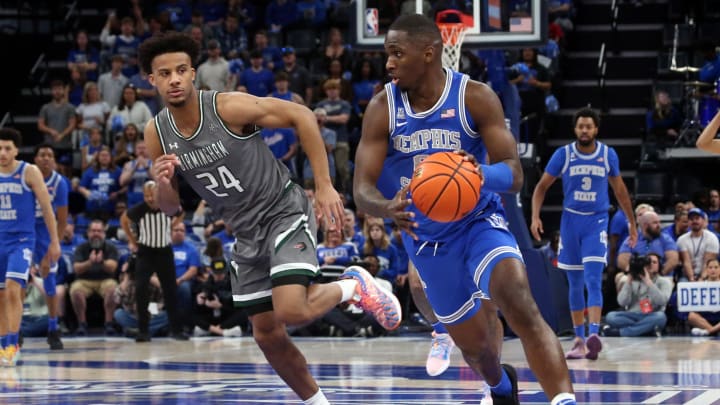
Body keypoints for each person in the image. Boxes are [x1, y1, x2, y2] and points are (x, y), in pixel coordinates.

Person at [138, 32, 401, 404]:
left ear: (194, 73)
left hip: (282, 209)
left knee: (291, 309)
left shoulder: (227, 107)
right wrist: (162, 182)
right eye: (165, 74)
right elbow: (169, 208)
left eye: (181, 70)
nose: (175, 79)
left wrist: (324, 185)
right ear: (152, 80)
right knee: (266, 334)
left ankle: (354, 287)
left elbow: (301, 115)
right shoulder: (156, 132)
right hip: (244, 232)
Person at [353, 14, 575, 405]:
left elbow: (514, 173)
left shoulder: (475, 97)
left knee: (520, 303)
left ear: (429, 53)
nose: (387, 63)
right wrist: (386, 207)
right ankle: (501, 388)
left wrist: (474, 172)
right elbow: (361, 188)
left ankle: (565, 400)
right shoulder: (381, 108)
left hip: (478, 222)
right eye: (387, 54)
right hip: (425, 240)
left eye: (396, 54)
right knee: (478, 353)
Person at [530, 107, 638, 361]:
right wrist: (535, 216)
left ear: (596, 129)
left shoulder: (607, 155)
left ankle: (594, 334)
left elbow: (620, 191)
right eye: (581, 126)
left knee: (592, 278)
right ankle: (579, 339)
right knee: (575, 283)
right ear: (575, 129)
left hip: (597, 222)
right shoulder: (563, 154)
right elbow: (541, 187)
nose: (585, 130)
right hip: (570, 223)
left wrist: (632, 223)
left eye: (589, 126)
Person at [0, 128, 61, 366]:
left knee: (15, 288)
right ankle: (4, 343)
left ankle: (13, 344)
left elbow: (47, 208)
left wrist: (54, 241)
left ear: (16, 150)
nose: (2, 152)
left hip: (22, 241)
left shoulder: (29, 171)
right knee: (2, 294)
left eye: (7, 148)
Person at [120, 180, 186, 342]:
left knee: (170, 290)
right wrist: (132, 239)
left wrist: (172, 225)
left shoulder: (167, 207)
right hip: (145, 252)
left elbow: (181, 211)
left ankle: (176, 330)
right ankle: (143, 331)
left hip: (164, 252)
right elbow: (124, 220)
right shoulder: (140, 210)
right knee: (141, 288)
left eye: (152, 195)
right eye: (146, 195)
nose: (150, 198)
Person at [32, 144, 70, 350]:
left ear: (54, 160)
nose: (46, 158)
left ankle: (53, 329)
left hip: (47, 231)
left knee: (50, 281)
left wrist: (56, 242)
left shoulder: (59, 183)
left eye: (50, 155)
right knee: (17, 281)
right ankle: (15, 329)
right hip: (25, 229)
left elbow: (62, 219)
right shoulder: (27, 177)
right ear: (36, 159)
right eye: (42, 154)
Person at [602, 253, 672, 337]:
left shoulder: (664, 282)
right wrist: (629, 280)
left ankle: (621, 333)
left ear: (659, 265)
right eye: (648, 262)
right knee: (611, 316)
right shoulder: (633, 280)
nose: (650, 264)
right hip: (632, 315)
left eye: (654, 262)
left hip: (652, 315)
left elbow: (662, 301)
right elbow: (622, 302)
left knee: (661, 317)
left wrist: (648, 282)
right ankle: (647, 329)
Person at [71, 219, 119, 336]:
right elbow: (76, 268)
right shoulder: (81, 247)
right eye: (93, 231)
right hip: (84, 280)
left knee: (113, 289)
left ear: (104, 233)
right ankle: (82, 324)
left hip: (106, 280)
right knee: (76, 291)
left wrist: (102, 262)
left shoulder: (111, 247)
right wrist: (89, 262)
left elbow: (113, 267)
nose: (96, 233)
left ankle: (109, 324)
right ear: (88, 233)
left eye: (99, 231)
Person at [677, 208, 719, 282]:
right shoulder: (682, 239)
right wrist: (692, 278)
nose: (694, 221)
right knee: (682, 282)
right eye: (691, 219)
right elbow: (686, 261)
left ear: (703, 221)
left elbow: (708, 262)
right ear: (688, 222)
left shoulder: (712, 238)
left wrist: (702, 279)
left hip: (707, 274)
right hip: (687, 275)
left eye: (697, 218)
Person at [688, 258, 720, 336]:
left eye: (716, 267)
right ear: (706, 270)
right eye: (710, 267)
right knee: (691, 316)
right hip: (705, 315)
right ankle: (714, 330)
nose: (713, 270)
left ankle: (709, 331)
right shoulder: (700, 285)